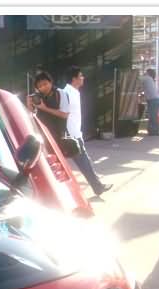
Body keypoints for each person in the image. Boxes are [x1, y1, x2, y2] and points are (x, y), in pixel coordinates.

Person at [63, 66, 112, 197]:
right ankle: (97, 187)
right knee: (84, 163)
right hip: (71, 136)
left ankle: (97, 187)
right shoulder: (66, 93)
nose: (83, 78)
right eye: (81, 76)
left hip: (75, 133)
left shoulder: (74, 92)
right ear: (74, 79)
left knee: (84, 163)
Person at [27, 71, 70, 142]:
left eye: (45, 84)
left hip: (60, 135)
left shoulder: (60, 93)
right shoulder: (37, 97)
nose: (43, 87)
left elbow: (65, 115)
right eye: (40, 86)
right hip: (45, 135)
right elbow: (32, 113)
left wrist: (44, 108)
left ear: (50, 82)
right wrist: (29, 104)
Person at [141, 68, 159, 136]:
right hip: (154, 100)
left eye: (145, 72)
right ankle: (152, 131)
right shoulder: (150, 79)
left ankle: (154, 132)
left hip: (153, 100)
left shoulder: (147, 78)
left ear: (148, 73)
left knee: (152, 116)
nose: (144, 73)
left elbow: (137, 79)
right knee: (152, 116)